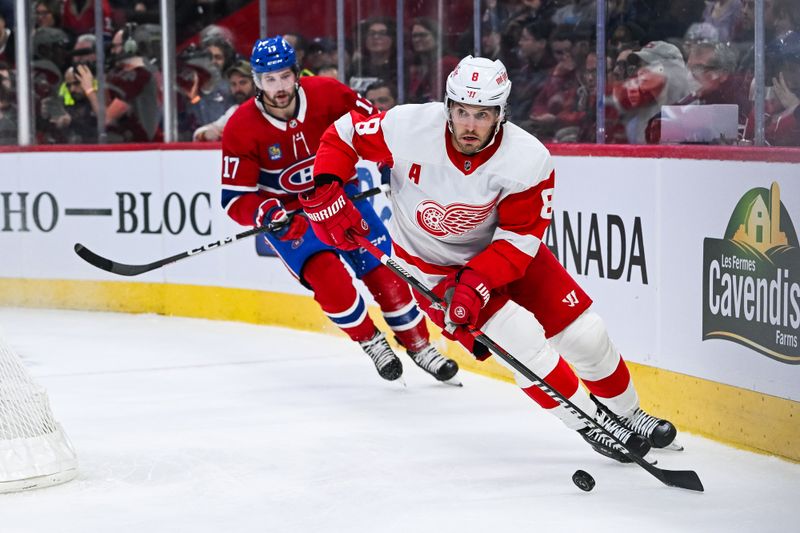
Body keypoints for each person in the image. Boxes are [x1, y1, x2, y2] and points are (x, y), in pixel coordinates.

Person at [299, 55, 680, 463]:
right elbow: (342, 136)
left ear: (501, 113)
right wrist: (326, 186)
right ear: (447, 106)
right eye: (461, 111)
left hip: (504, 254)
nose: (468, 125)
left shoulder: (527, 159)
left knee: (586, 333)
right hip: (431, 270)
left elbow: (518, 240)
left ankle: (627, 413)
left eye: (482, 114)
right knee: (520, 340)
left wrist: (478, 281)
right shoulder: (408, 127)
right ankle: (588, 423)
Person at [220, 36, 458, 383]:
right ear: (257, 82)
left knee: (385, 274)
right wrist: (268, 215)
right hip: (293, 222)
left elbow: (377, 126)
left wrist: (389, 160)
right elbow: (236, 198)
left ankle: (420, 345)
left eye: (284, 76)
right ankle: (372, 342)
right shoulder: (242, 127)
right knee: (331, 285)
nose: (279, 87)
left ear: (295, 73)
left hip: (342, 200)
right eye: (269, 79)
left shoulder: (328, 94)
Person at [193, 59, 256, 142]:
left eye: (243, 83)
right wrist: (205, 134)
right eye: (233, 84)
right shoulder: (235, 110)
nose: (238, 89)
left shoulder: (269, 108)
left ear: (255, 83)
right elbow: (198, 133)